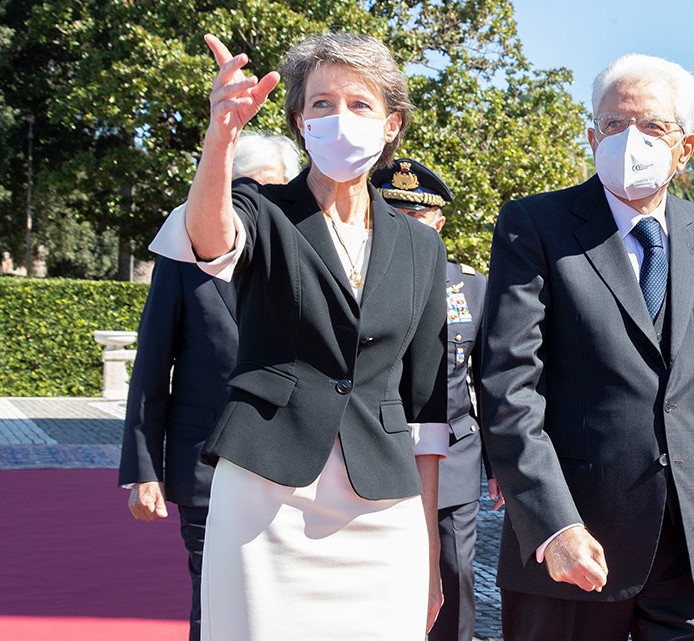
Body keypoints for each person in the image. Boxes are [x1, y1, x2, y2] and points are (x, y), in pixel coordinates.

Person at [148, 33, 449, 640]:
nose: (340, 118)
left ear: (392, 124)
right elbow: (210, 240)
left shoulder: (422, 244)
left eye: (360, 105)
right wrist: (221, 135)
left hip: (383, 506)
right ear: (298, 122)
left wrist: (430, 548)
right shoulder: (262, 210)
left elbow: (426, 407)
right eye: (321, 104)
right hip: (266, 495)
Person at [479, 53, 694, 640]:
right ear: (590, 135)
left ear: (686, 149)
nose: (631, 141)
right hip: (575, 545)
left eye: (652, 127)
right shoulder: (535, 224)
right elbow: (508, 386)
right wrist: (551, 525)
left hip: (692, 552)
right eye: (613, 125)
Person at [118, 131, 299, 641]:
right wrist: (144, 469)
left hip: (296, 468)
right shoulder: (184, 252)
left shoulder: (308, 254)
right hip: (207, 469)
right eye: (245, 188)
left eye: (272, 189)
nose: (255, 202)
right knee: (215, 604)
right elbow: (153, 363)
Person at [372, 158, 505, 641]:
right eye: (394, 216)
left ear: (439, 223)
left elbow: (492, 382)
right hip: (370, 453)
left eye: (418, 218)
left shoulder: (471, 286)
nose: (406, 228)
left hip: (453, 455)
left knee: (453, 574)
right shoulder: (351, 278)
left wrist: (502, 466)